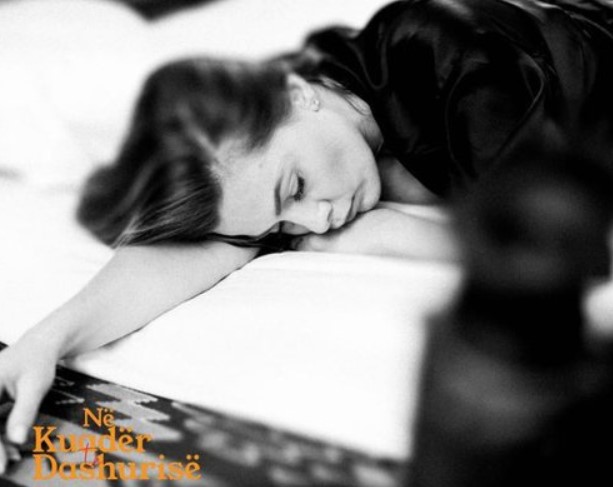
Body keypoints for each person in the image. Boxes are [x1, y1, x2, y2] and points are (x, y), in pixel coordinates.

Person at [1, 0, 613, 469]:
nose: (317, 222)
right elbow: (200, 248)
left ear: (299, 95)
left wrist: (391, 234)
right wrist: (44, 342)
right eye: (282, 225)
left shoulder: (444, 54)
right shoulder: (280, 135)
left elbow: (566, 244)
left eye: (294, 189)